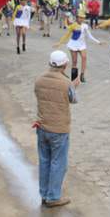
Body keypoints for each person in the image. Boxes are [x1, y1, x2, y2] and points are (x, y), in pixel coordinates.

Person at [34, 50, 80, 208]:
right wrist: (74, 86)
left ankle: (44, 194)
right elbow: (73, 100)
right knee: (58, 163)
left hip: (42, 126)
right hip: (59, 129)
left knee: (44, 161)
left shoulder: (39, 79)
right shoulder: (66, 83)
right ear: (65, 65)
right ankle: (53, 197)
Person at [55, 10, 100, 83]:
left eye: (83, 18)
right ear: (77, 18)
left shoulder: (85, 26)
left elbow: (89, 35)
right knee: (74, 61)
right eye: (80, 18)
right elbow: (67, 35)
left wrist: (98, 42)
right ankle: (74, 79)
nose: (81, 19)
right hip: (73, 44)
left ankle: (82, 74)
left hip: (82, 44)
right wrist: (59, 43)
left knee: (84, 57)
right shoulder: (73, 25)